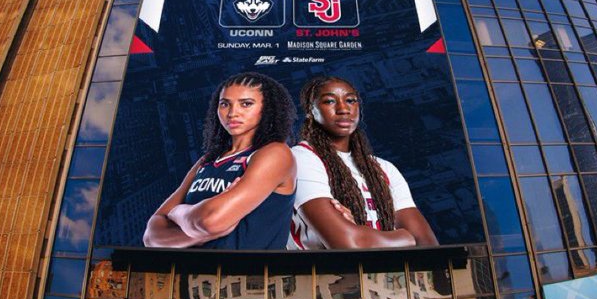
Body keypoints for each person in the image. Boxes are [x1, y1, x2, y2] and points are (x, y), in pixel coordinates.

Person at [143, 72, 296, 251]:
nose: (232, 113)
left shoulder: (275, 153)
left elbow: (211, 221)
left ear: (268, 109)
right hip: (192, 275)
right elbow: (151, 236)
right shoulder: (205, 161)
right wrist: (199, 234)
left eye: (246, 104)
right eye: (225, 104)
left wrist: (178, 212)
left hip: (246, 275)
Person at [288, 75, 438, 250]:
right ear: (310, 111)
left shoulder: (383, 168)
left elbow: (428, 245)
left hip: (383, 273)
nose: (343, 109)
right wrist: (406, 237)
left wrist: (359, 232)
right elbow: (348, 243)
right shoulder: (301, 158)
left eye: (350, 100)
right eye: (329, 101)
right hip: (324, 275)